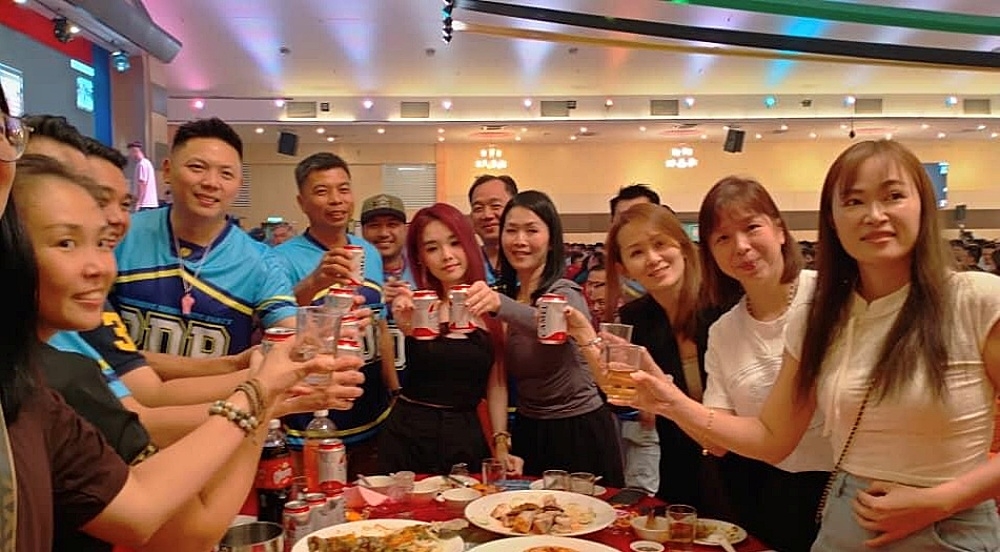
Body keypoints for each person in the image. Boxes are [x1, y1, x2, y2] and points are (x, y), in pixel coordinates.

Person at [0, 89, 365, 552]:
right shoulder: (53, 372)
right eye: (67, 241)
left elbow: (147, 385)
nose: (100, 262)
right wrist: (259, 393)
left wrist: (260, 375)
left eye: (114, 211)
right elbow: (148, 432)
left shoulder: (256, 261)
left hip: (189, 462)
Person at [620, 140, 1000, 551]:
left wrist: (941, 500)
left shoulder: (976, 299)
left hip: (949, 528)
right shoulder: (821, 316)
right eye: (854, 202)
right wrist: (668, 399)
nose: (874, 215)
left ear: (923, 205)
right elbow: (772, 437)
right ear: (833, 221)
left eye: (893, 196)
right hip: (844, 522)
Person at [697, 176, 832, 552]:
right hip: (762, 495)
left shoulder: (828, 298)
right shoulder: (724, 330)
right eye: (722, 238)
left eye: (751, 227)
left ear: (780, 231)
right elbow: (716, 439)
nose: (741, 247)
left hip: (843, 492)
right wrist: (659, 389)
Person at [465, 190, 624, 487]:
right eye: (511, 230)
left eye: (532, 230)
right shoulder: (511, 298)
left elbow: (551, 325)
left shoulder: (566, 292)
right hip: (529, 428)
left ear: (551, 241)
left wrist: (500, 305)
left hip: (579, 429)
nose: (520, 240)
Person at [110, 118, 298, 358]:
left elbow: (288, 329)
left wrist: (316, 334)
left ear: (238, 184)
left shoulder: (260, 262)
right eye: (197, 167)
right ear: (167, 171)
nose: (211, 183)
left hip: (221, 394)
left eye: (226, 174)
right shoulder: (122, 234)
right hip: (118, 393)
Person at [580, 203, 726, 510]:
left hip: (744, 464)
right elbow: (618, 396)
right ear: (623, 268)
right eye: (637, 253)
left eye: (660, 244)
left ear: (683, 246)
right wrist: (584, 336)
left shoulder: (724, 304)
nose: (653, 259)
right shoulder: (638, 317)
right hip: (680, 467)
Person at [273, 152, 393, 478]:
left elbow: (379, 322)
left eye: (343, 189)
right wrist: (314, 282)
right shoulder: (281, 258)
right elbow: (272, 326)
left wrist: (394, 388)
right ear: (302, 201)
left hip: (370, 404)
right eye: (322, 191)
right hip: (312, 411)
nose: (336, 200)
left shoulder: (367, 251)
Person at [379, 203, 521, 475]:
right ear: (420, 258)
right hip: (407, 434)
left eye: (455, 243)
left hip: (465, 432)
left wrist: (501, 443)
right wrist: (405, 324)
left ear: (468, 244)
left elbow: (497, 384)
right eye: (432, 248)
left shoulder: (493, 308)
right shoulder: (418, 306)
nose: (447, 256)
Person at [468, 174, 518, 283]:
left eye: (495, 206)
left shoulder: (530, 260)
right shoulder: (466, 265)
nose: (487, 215)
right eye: (478, 208)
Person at [127, 141, 159, 211]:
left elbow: (142, 184)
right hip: (151, 203)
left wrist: (139, 202)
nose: (130, 155)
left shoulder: (141, 164)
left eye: (130, 152)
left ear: (134, 151)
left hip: (145, 204)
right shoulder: (148, 163)